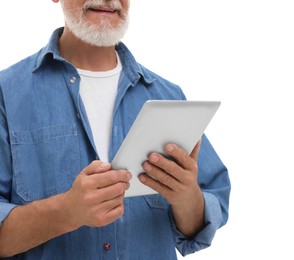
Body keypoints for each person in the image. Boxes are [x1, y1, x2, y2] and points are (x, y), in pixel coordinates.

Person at [0, 0, 231, 259]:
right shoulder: (6, 95)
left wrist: (187, 198)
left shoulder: (169, 97)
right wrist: (66, 212)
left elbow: (210, 208)